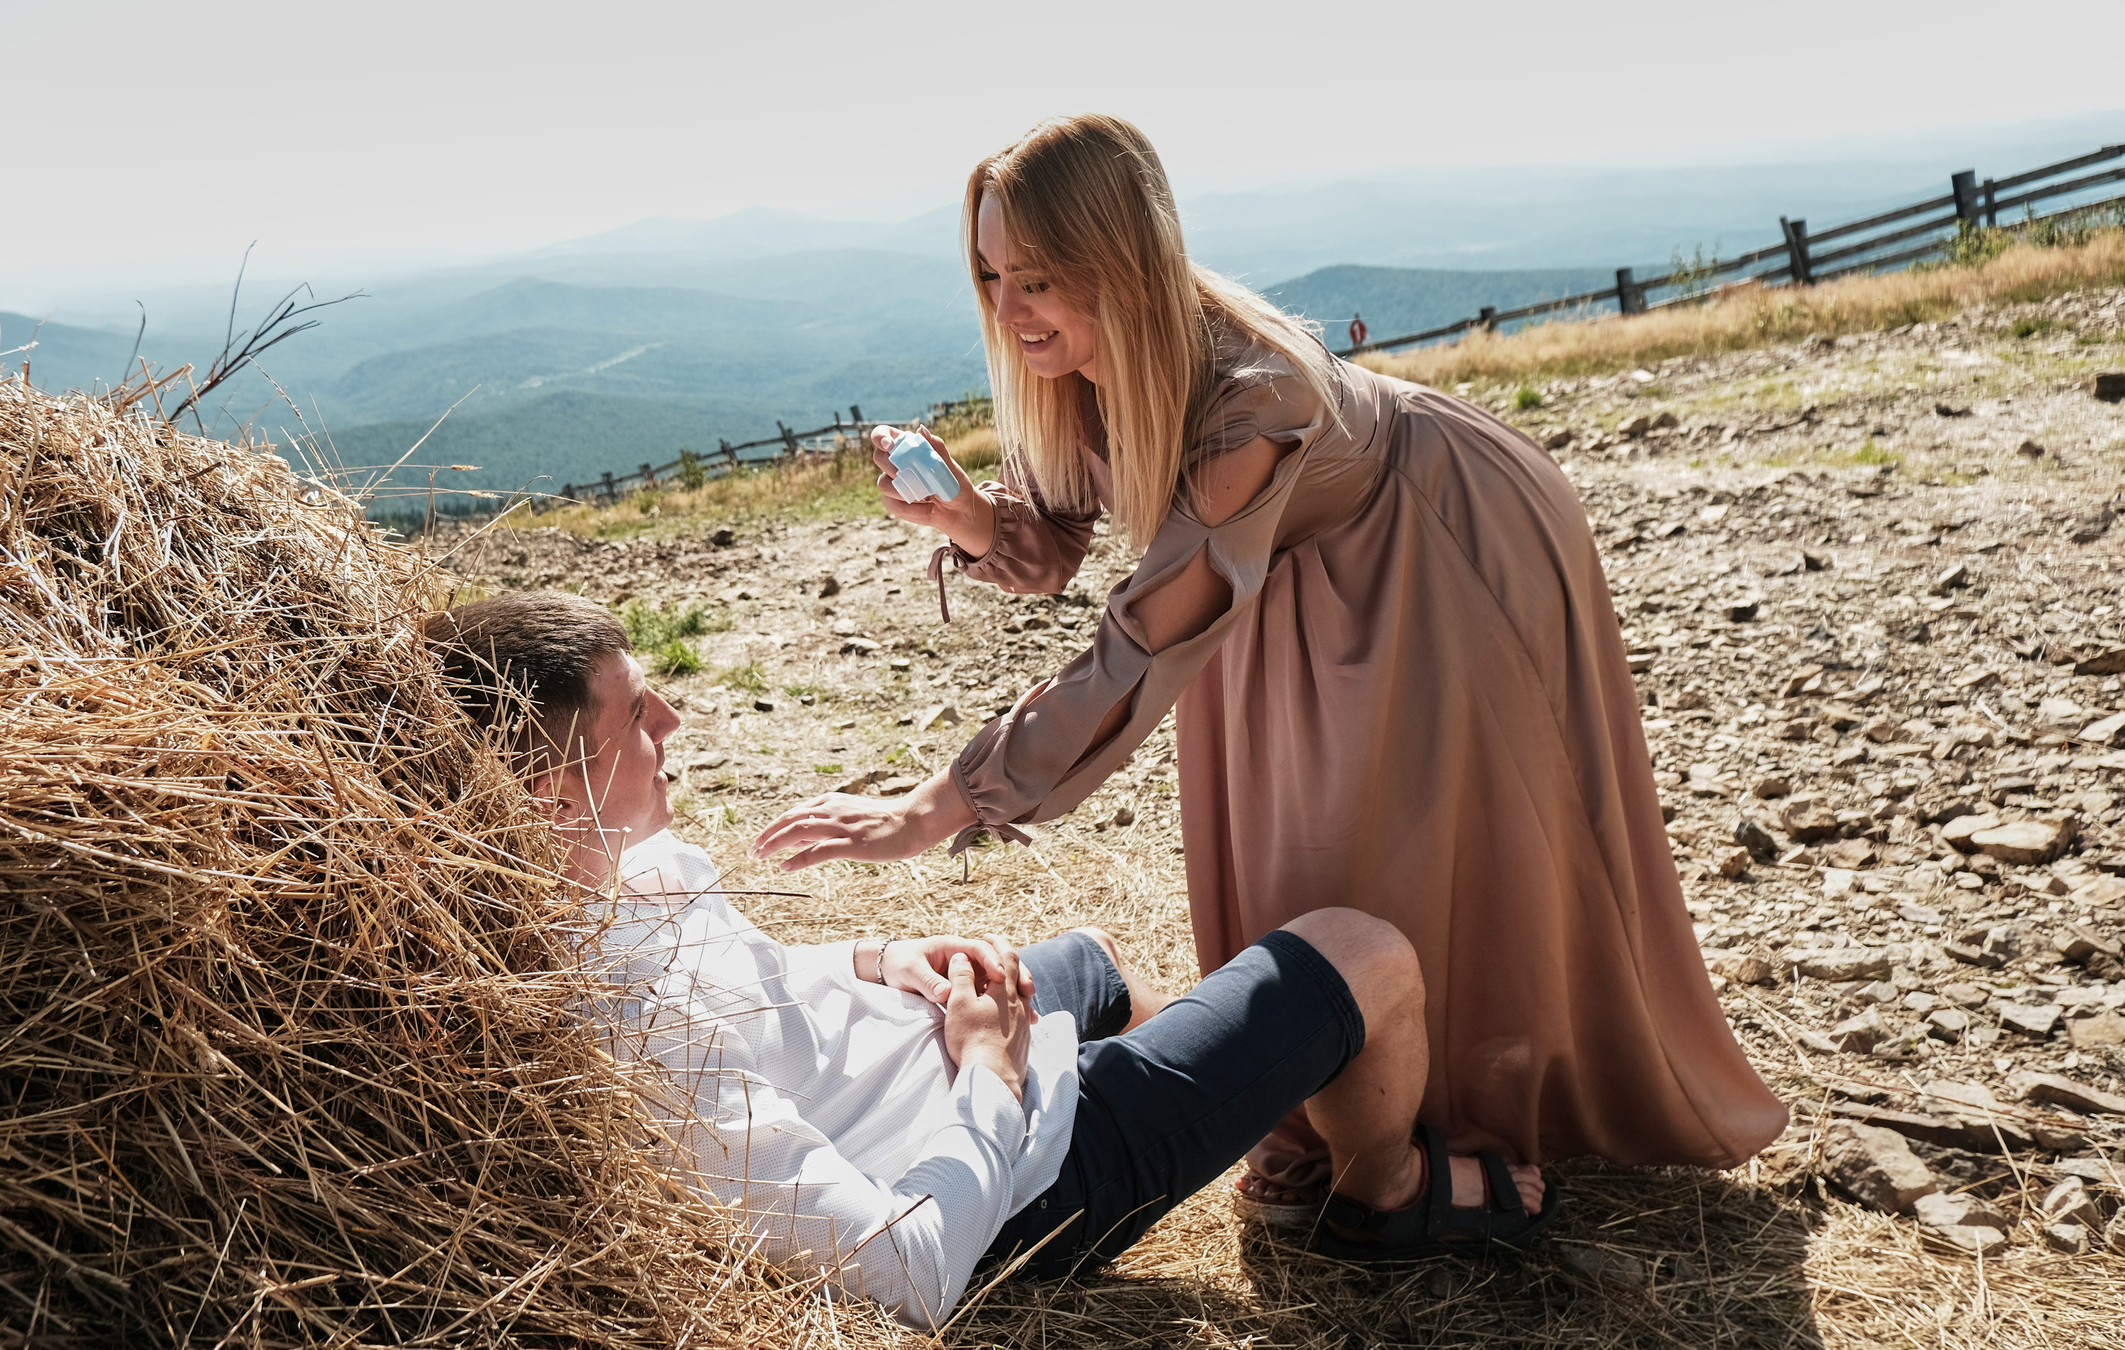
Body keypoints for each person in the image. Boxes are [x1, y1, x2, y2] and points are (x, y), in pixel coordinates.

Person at [752, 113, 1786, 1226]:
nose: (1008, 309)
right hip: (1270, 574)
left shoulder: (1251, 398)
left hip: (1438, 542)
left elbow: (1136, 651)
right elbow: (1050, 549)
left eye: (1039, 278)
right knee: (1315, 850)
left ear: (1122, 259)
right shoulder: (1076, 368)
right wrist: (962, 513)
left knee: (1430, 838)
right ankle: (1334, 1109)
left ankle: (1442, 1127)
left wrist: (936, 805)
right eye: (991, 274)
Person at [423, 591, 1552, 1330]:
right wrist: (989, 1074)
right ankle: (1381, 1196)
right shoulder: (624, 1036)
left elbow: (757, 989)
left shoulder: (631, 869)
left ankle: (1284, 1144)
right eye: (634, 712)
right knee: (1364, 952)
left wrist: (883, 958)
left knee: (1092, 958)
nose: (673, 714)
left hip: (944, 1059)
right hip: (1011, 1175)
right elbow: (906, 1273)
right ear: (547, 792)